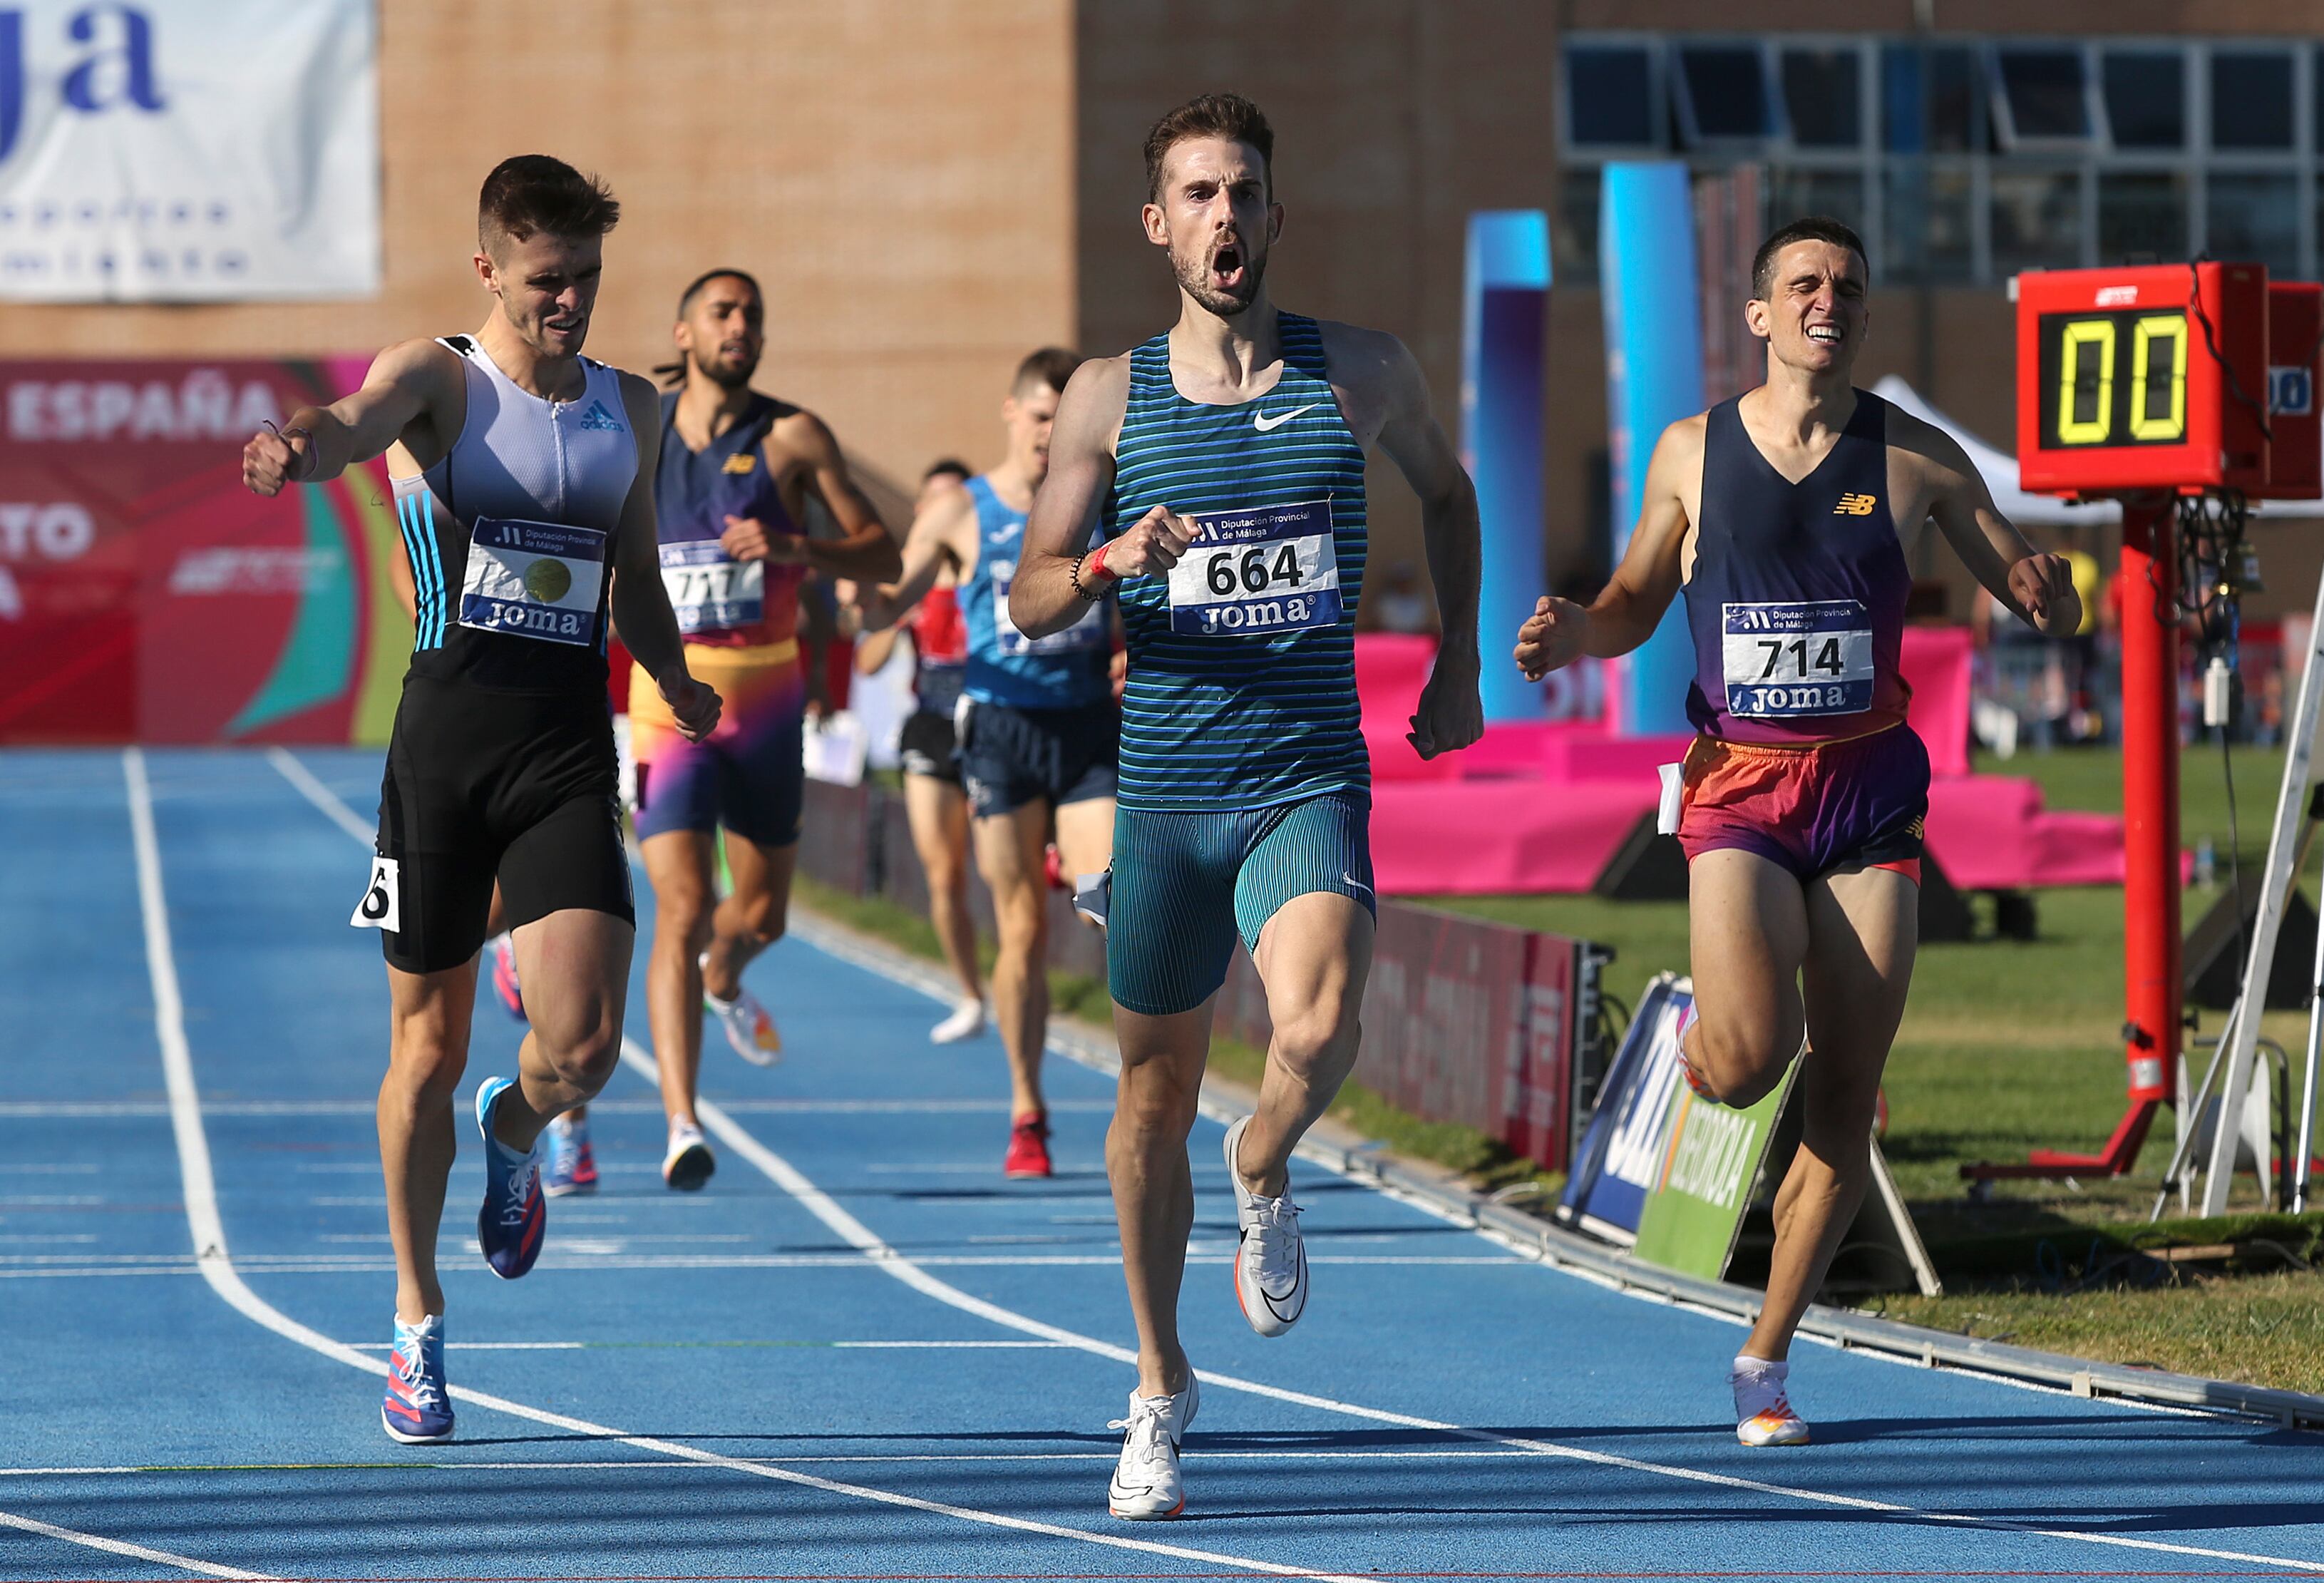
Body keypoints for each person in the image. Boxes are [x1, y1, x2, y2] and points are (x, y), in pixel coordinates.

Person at [1514, 216, 2077, 1449]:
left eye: (1850, 288)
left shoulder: (1918, 459)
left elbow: (2025, 576)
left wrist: (2054, 592)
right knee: (1753, 1059)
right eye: (1805, 284)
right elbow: (1631, 603)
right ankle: (1689, 1048)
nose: (1830, 300)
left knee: (1844, 1095)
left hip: (1871, 792)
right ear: (1762, 315)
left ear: (1864, 319)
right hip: (1743, 790)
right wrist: (1575, 631)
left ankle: (1765, 1361)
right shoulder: (1692, 452)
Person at [1006, 95, 1482, 1520]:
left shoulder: (1364, 373)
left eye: (1245, 193)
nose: (1225, 219)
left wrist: (1458, 662)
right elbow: (1024, 597)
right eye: (1198, 195)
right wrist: (1102, 566)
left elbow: (1451, 502)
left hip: (1304, 771)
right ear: (1159, 223)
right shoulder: (1109, 397)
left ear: (1277, 216)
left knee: (1319, 1024)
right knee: (1146, 1099)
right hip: (1162, 792)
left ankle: (1261, 1158)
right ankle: (1159, 1389)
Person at [240, 155, 720, 1445]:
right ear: (491, 270)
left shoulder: (631, 408)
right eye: (548, 281)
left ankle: (516, 1135)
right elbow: (352, 417)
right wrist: (299, 447)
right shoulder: (442, 381)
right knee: (425, 1052)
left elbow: (632, 574)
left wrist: (672, 670)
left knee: (580, 1049)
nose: (569, 303)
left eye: (588, 281)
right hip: (444, 752)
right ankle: (414, 1324)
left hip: (566, 747)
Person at [622, 266, 899, 1192]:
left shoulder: (793, 436)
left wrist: (794, 548)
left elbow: (883, 550)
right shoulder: (635, 428)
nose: (741, 326)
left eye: (753, 315)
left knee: (766, 916)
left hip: (769, 701)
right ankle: (682, 1122)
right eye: (723, 312)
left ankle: (724, 979)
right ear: (684, 331)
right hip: (668, 702)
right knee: (683, 905)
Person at [858, 350, 1114, 1180]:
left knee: (1112, 901)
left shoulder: (1104, 501)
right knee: (1020, 929)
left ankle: (1070, 866)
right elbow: (890, 596)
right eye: (1040, 415)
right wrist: (853, 592)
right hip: (999, 730)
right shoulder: (960, 511)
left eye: (1064, 417)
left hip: (1082, 724)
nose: (1051, 433)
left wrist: (1132, 655)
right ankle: (1026, 1107)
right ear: (1011, 413)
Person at [854, 459, 986, 1042]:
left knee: (1004, 870)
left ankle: (1016, 977)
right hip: (931, 725)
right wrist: (896, 612)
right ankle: (970, 993)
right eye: (932, 502)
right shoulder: (914, 585)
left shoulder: (991, 570)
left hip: (991, 724)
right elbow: (867, 661)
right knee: (944, 872)